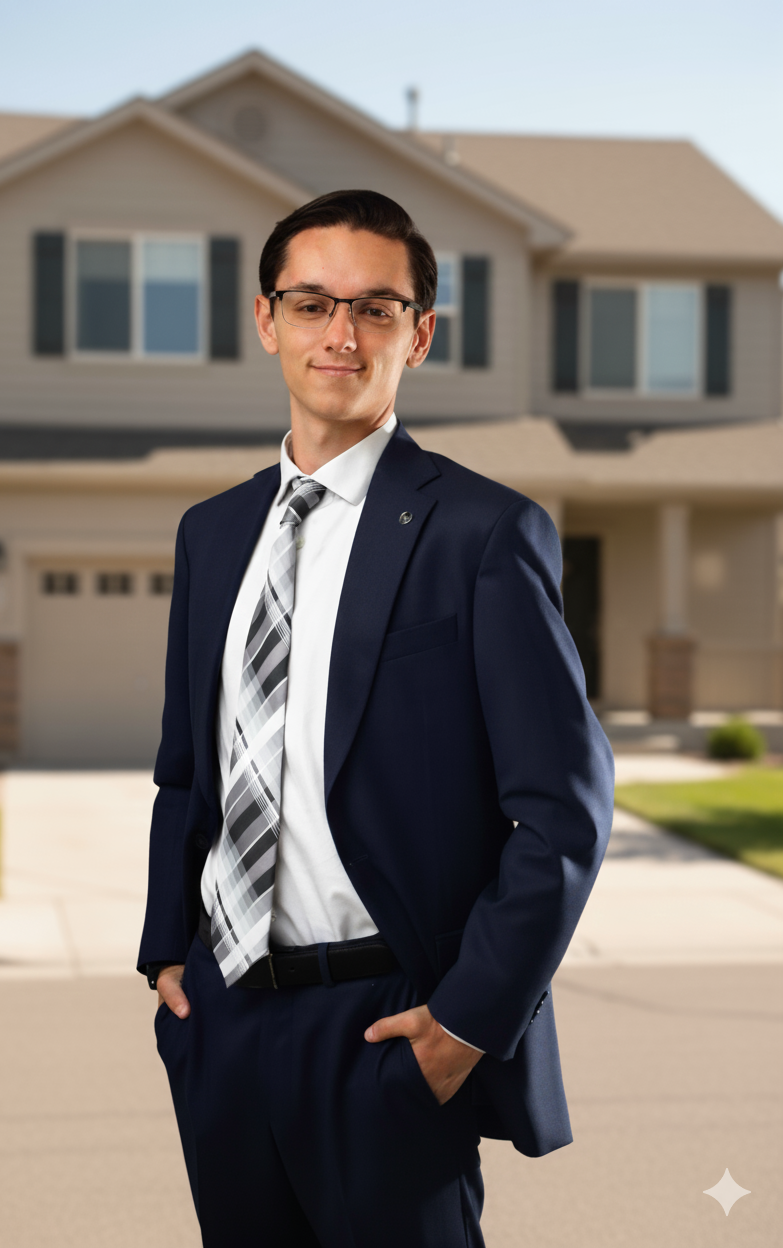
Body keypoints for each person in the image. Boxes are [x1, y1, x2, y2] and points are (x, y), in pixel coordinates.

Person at [138, 189, 614, 1247]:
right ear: (266, 321)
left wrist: (461, 1028)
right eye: (311, 304)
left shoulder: (482, 534)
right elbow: (186, 770)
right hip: (221, 1027)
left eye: (375, 309)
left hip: (384, 1031)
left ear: (420, 332)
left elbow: (565, 813)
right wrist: (167, 953)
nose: (340, 335)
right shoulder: (211, 535)